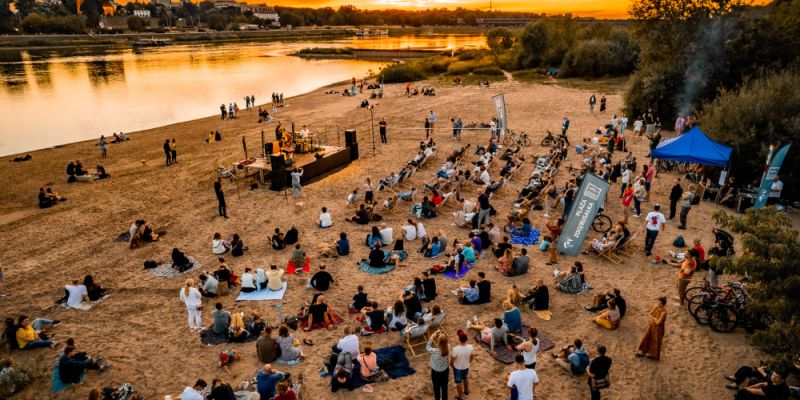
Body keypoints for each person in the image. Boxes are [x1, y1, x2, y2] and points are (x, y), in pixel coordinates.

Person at [451, 331, 474, 399]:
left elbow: (452, 361)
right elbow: (472, 355)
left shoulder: (455, 349)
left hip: (457, 368)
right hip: (466, 366)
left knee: (458, 382)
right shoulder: (470, 347)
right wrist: (469, 362)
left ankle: (460, 396)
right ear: (466, 339)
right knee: (465, 377)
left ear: (459, 339)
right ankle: (466, 391)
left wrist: (452, 366)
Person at [427, 331, 450, 400]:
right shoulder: (448, 347)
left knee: (436, 387)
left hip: (435, 372)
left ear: (439, 342)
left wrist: (432, 337)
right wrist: (442, 336)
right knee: (444, 387)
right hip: (445, 371)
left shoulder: (435, 351)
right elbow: (446, 340)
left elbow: (427, 347)